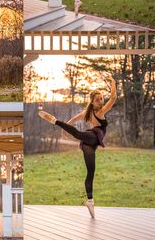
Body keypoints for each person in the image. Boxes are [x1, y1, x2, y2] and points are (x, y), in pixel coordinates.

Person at [39, 73, 117, 219]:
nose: (101, 101)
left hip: (90, 143)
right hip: (93, 136)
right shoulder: (98, 111)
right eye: (98, 99)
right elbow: (113, 98)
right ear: (92, 102)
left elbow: (73, 121)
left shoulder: (92, 111)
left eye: (101, 99)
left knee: (91, 172)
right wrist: (112, 81)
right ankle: (55, 121)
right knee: (80, 136)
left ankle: (90, 202)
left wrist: (65, 129)